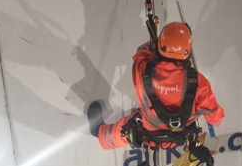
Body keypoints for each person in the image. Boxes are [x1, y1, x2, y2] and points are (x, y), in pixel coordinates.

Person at [87, 22, 225, 151]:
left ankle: (100, 134)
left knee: (126, 129)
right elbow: (216, 119)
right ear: (188, 51)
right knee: (137, 122)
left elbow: (142, 51)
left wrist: (155, 43)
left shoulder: (143, 70)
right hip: (178, 137)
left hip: (148, 131)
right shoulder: (200, 84)